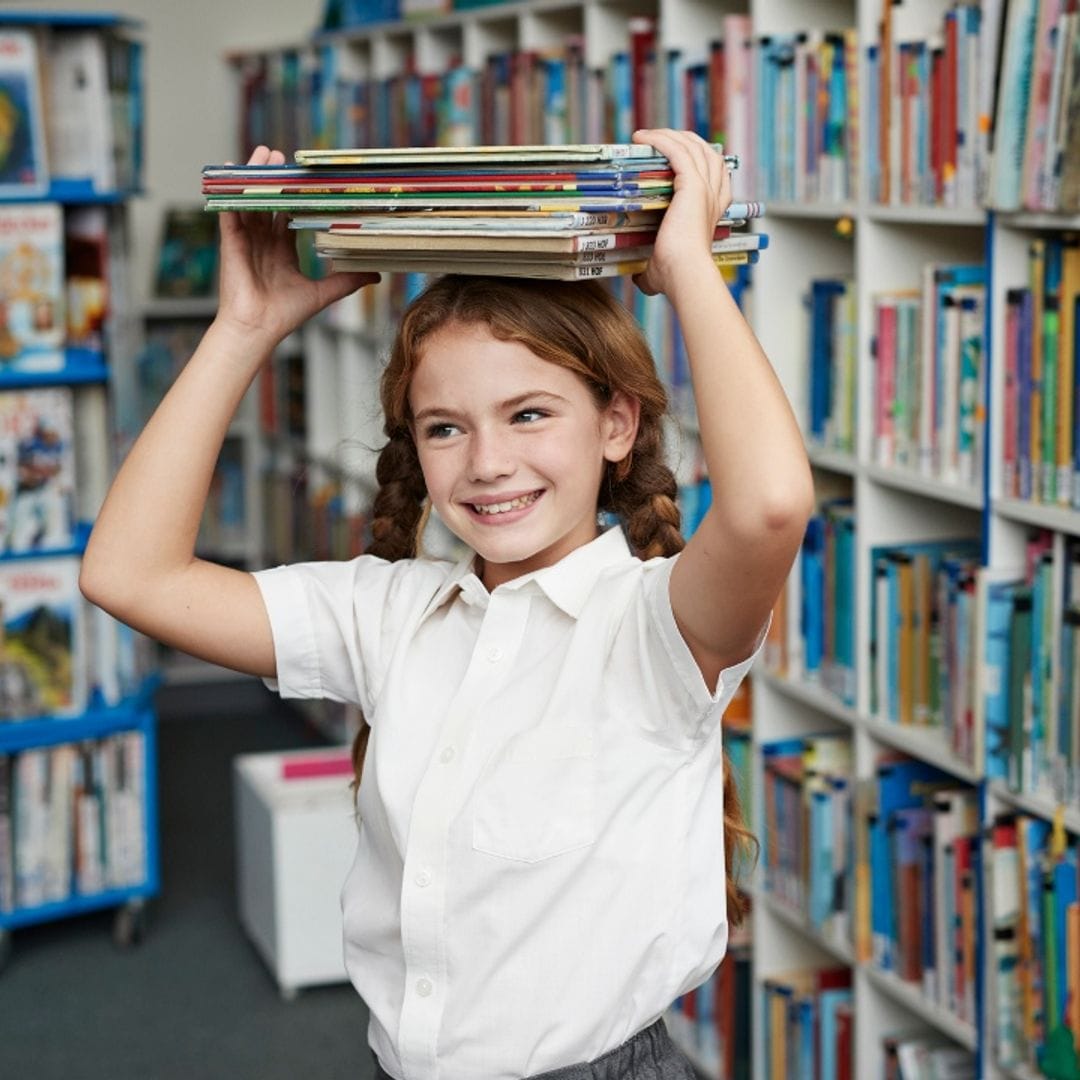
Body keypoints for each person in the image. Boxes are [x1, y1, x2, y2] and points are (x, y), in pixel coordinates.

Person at [79, 129, 814, 1080]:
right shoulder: (391, 613)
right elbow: (128, 576)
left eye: (530, 413)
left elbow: (770, 507)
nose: (488, 463)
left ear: (617, 423)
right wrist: (246, 328)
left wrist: (689, 272)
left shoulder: (655, 626)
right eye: (445, 428)